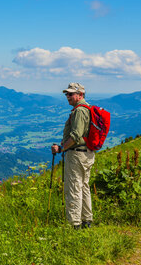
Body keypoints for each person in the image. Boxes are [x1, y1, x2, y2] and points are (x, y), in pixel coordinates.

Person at [51, 82, 94, 229]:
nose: (67, 97)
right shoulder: (85, 109)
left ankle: (75, 224)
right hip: (86, 154)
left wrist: (62, 148)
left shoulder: (79, 111)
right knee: (83, 187)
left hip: (76, 155)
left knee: (74, 187)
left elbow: (76, 136)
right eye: (66, 94)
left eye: (70, 94)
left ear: (80, 94)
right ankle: (86, 220)